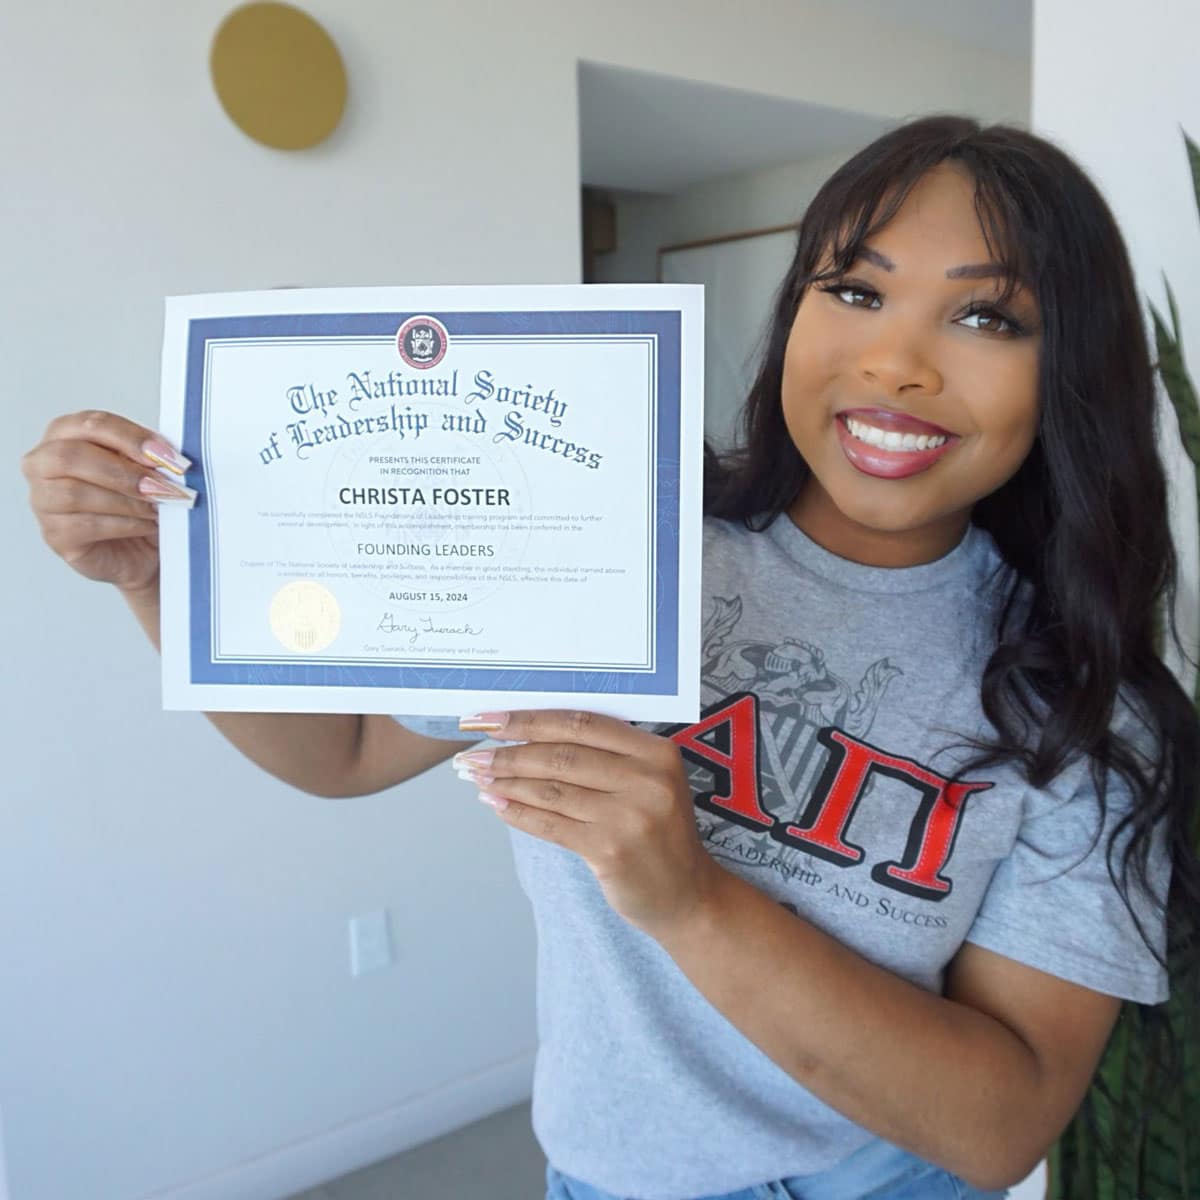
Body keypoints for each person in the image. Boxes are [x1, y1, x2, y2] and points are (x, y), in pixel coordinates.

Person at [21, 114, 1200, 1200]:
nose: (897, 363)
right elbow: (342, 751)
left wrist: (691, 900)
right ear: (797, 310)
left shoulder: (1082, 702)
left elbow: (1003, 1127)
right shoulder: (611, 544)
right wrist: (155, 574)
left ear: (1071, 372)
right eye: (854, 289)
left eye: (987, 316)